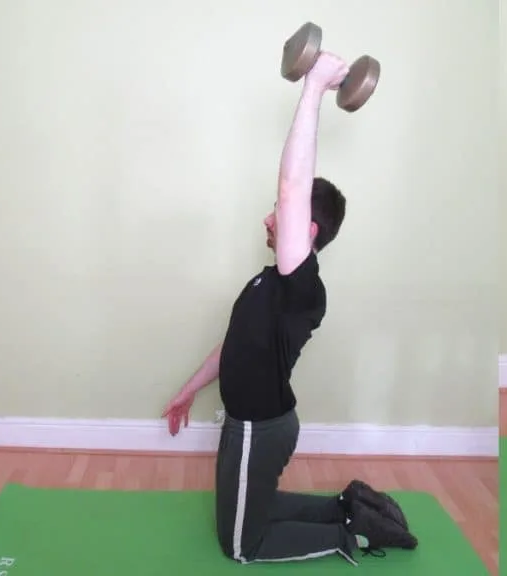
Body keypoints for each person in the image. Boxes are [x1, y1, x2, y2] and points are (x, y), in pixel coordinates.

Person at [161, 50, 417, 565]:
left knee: (241, 544)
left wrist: (314, 88)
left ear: (308, 230)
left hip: (260, 426)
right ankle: (347, 509)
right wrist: (187, 391)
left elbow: (293, 185)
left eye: (279, 213)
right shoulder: (266, 283)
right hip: (251, 422)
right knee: (250, 509)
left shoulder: (302, 287)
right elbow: (232, 348)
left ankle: (353, 538)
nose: (268, 218)